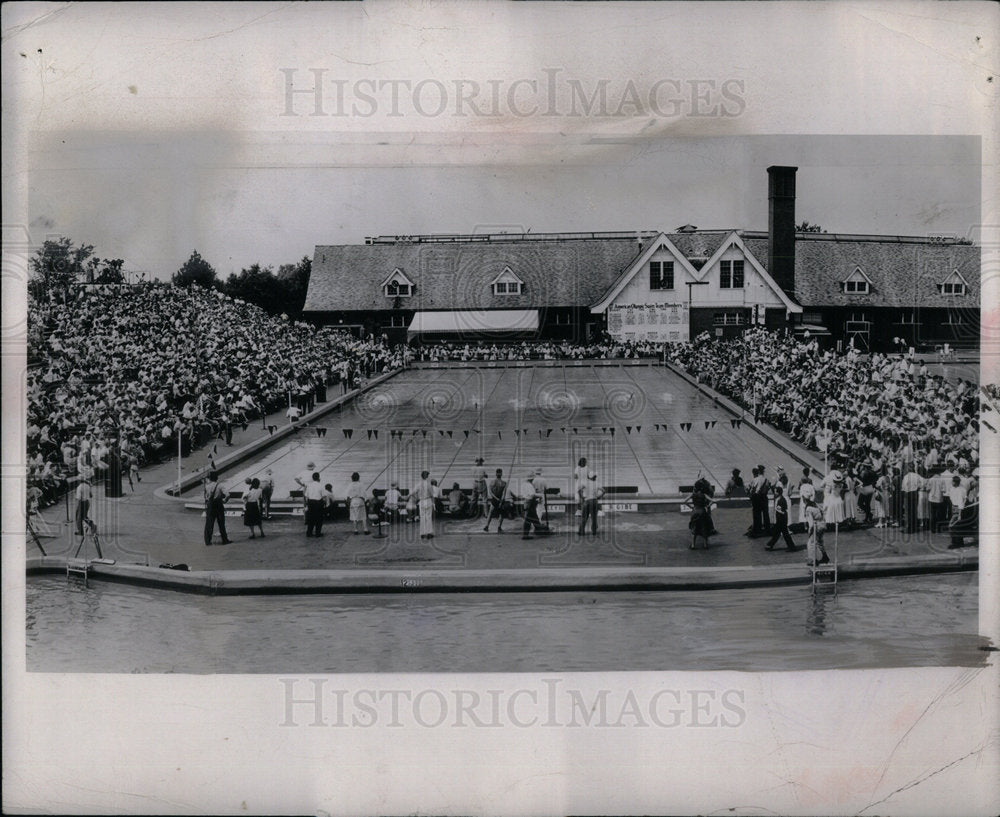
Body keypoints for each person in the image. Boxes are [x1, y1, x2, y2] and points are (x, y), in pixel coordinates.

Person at [765, 484, 797, 551]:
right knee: (781, 534)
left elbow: (781, 511)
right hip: (781, 519)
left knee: (780, 534)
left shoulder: (781, 500)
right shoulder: (780, 499)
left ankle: (770, 545)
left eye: (776, 492)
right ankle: (791, 546)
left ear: (778, 493)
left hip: (781, 519)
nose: (775, 493)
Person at [203, 470, 231, 546]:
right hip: (218, 505)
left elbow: (205, 497)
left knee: (209, 523)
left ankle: (207, 541)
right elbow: (228, 494)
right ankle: (225, 540)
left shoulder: (207, 486)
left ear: (210, 478)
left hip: (210, 505)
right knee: (221, 523)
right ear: (216, 478)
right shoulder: (220, 485)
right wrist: (225, 500)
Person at [804, 496, 830, 567]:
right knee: (820, 542)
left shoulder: (808, 509)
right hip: (823, 525)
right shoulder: (817, 506)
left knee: (810, 543)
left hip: (816, 526)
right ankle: (825, 557)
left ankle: (813, 560)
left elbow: (811, 523)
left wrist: (810, 531)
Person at [687, 480, 714, 549]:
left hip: (695, 511)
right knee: (703, 527)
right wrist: (707, 506)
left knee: (694, 528)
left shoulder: (693, 494)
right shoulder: (704, 495)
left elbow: (684, 501)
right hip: (702, 511)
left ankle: (693, 545)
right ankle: (705, 545)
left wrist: (691, 507)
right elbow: (713, 501)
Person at [521, 474, 549, 540]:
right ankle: (526, 535)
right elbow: (532, 495)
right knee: (529, 519)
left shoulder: (523, 484)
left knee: (534, 517)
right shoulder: (530, 485)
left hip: (526, 501)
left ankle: (538, 529)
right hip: (530, 502)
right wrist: (540, 495)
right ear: (531, 479)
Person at [577, 470, 604, 536]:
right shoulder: (597, 483)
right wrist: (599, 497)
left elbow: (579, 490)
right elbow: (604, 491)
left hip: (586, 501)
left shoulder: (585, 483)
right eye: (595, 476)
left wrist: (582, 497)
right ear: (594, 477)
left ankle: (581, 532)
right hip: (594, 501)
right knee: (594, 517)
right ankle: (594, 531)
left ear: (589, 477)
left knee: (584, 517)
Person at [483, 468, 508, 533]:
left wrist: (496, 498)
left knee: (490, 513)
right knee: (501, 514)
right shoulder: (504, 483)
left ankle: (487, 526)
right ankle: (499, 527)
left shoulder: (492, 482)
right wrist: (501, 500)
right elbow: (504, 493)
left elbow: (490, 492)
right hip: (500, 500)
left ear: (496, 474)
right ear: (501, 474)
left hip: (494, 500)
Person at [900, 464, 923, 534]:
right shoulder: (917, 476)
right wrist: (918, 487)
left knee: (908, 511)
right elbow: (922, 484)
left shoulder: (906, 477)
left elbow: (903, 487)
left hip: (908, 493)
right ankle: (914, 526)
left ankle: (909, 527)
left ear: (908, 469)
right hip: (915, 493)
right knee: (914, 510)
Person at [415, 470, 436, 540]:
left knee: (422, 517)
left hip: (421, 502)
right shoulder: (428, 484)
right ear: (427, 476)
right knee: (428, 517)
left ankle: (422, 533)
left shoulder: (418, 484)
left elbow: (414, 491)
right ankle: (429, 533)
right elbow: (432, 494)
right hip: (428, 501)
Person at [304, 472, 325, 537]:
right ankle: (317, 533)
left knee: (311, 518)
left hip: (310, 502)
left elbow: (306, 496)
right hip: (318, 503)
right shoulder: (321, 485)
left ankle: (309, 532)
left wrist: (306, 504)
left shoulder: (309, 485)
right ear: (319, 478)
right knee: (319, 518)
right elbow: (323, 496)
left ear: (312, 478)